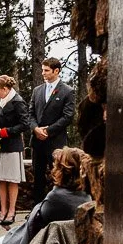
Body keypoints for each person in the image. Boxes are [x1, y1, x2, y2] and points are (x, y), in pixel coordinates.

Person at [27, 56, 76, 204]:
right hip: (38, 142)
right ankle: (37, 211)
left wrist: (48, 131)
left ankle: (58, 209)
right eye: (42, 70)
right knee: (38, 179)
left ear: (56, 71)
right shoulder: (37, 90)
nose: (43, 73)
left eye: (46, 70)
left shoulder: (67, 91)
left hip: (55, 143)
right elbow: (30, 113)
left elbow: (67, 117)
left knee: (59, 178)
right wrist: (35, 129)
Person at [0, 74, 30, 227]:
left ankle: (11, 211)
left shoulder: (18, 102)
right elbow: (1, 119)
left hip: (12, 145)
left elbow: (25, 124)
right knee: (1, 179)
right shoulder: (1, 101)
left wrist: (6, 131)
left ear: (5, 89)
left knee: (11, 179)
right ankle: (3, 210)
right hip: (0, 145)